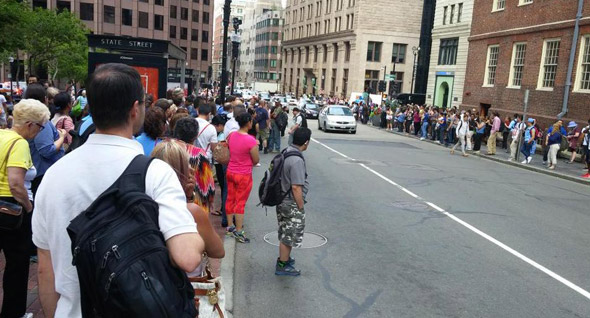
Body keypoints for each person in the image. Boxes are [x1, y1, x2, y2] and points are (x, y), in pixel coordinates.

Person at [32, 63, 205, 318]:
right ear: (135, 109)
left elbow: (46, 270)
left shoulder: (52, 177)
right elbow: (188, 257)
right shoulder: (155, 173)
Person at [0, 99, 49, 318]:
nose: (40, 132)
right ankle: (13, 312)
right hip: (12, 212)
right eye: (40, 126)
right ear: (30, 124)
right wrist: (29, 207)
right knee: (17, 266)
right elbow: (16, 183)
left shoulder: (1, 135)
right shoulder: (19, 144)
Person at [150, 139, 224, 277]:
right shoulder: (191, 211)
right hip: (186, 289)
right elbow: (218, 251)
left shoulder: (143, 203)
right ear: (185, 172)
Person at [275, 127, 311, 276]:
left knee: (285, 231)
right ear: (306, 142)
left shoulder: (287, 151)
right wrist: (300, 206)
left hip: (282, 199)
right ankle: (282, 265)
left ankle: (285, 259)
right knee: (289, 235)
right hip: (290, 202)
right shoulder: (296, 160)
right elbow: (296, 186)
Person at [25, 84, 66, 199]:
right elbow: (47, 150)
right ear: (45, 99)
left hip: (36, 172)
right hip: (43, 173)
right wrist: (62, 137)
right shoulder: (41, 121)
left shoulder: (26, 118)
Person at [225, 112, 259, 243]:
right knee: (240, 203)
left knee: (230, 198)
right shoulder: (250, 140)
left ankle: (230, 227)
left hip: (231, 171)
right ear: (249, 123)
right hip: (243, 174)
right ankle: (239, 232)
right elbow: (255, 160)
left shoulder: (232, 135)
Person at [173, 117, 216, 214]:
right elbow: (207, 183)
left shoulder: (166, 149)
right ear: (196, 135)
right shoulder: (199, 154)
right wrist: (211, 199)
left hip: (172, 202)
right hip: (196, 205)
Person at [212, 115, 229, 227]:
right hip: (221, 163)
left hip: (219, 163)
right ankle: (224, 210)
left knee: (224, 187)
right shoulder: (223, 135)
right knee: (224, 187)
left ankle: (224, 210)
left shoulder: (221, 135)